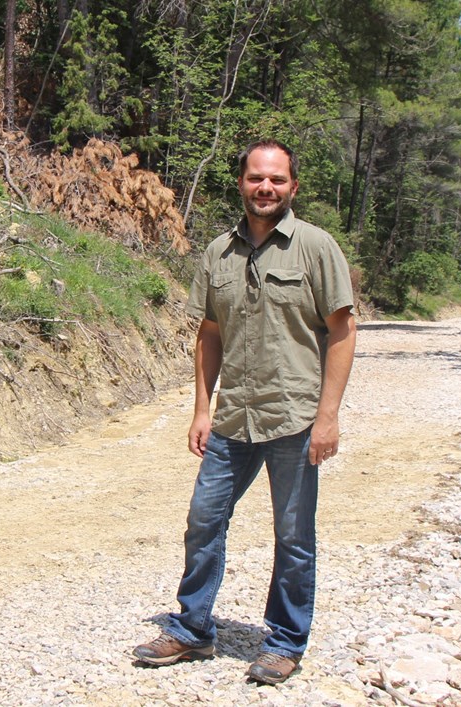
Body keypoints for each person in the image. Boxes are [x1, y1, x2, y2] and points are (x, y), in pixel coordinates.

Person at [133, 139, 356, 684]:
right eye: (257, 178)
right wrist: (199, 409)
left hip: (295, 417)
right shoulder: (217, 253)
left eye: (277, 180)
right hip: (233, 416)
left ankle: (284, 641)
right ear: (241, 182)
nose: (266, 188)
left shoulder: (316, 247)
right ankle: (192, 630)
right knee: (203, 521)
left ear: (293, 187)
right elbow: (209, 334)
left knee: (294, 537)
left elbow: (342, 332)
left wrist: (327, 418)